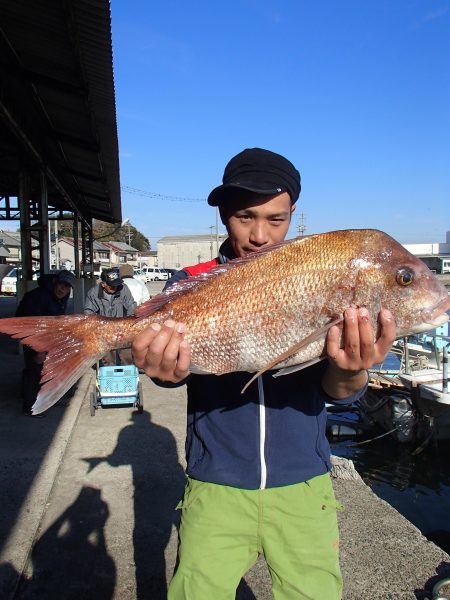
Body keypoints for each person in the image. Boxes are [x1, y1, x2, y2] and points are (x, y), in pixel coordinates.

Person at [132, 148, 397, 599]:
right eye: (244, 217)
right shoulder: (191, 281)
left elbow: (340, 390)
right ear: (223, 215)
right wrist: (162, 371)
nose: (259, 235)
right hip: (214, 483)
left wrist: (353, 370)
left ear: (293, 213)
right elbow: (171, 373)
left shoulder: (315, 274)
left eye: (276, 220)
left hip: (303, 486)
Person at [16, 270, 75, 417]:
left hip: (49, 339)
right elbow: (31, 326)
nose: (63, 289)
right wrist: (39, 350)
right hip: (33, 338)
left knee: (49, 369)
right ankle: (29, 408)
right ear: (55, 281)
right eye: (62, 285)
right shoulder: (38, 297)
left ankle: (46, 400)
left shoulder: (61, 297)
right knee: (35, 371)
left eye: (67, 287)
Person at [84, 267, 136, 365]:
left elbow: (131, 305)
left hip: (122, 328)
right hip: (104, 330)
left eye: (116, 284)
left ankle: (127, 376)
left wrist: (131, 323)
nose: (115, 287)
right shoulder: (93, 293)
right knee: (108, 358)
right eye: (111, 285)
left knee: (127, 356)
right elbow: (88, 313)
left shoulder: (124, 289)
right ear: (103, 284)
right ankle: (110, 375)